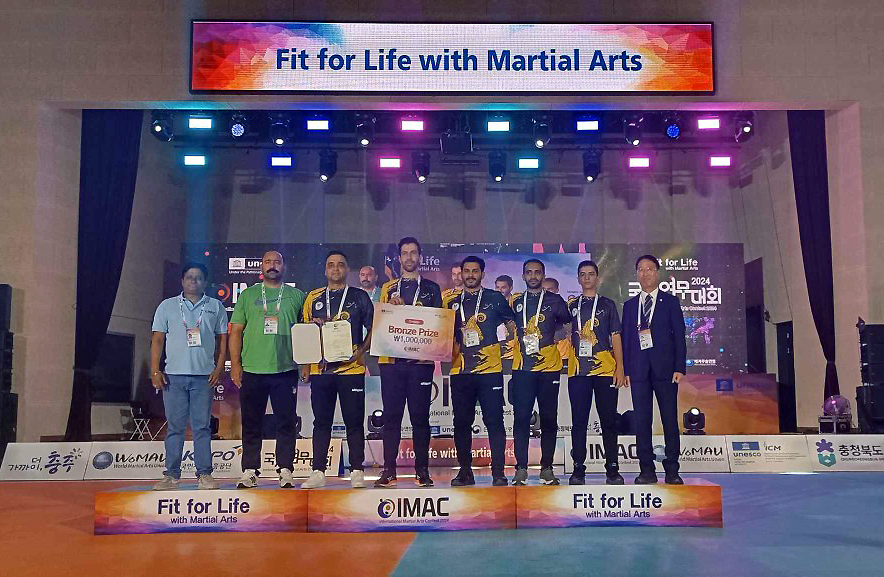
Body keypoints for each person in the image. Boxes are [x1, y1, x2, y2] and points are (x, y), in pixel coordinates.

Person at [229, 251, 305, 489]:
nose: (273, 266)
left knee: (286, 422)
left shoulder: (297, 296)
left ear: (284, 266)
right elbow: (236, 331)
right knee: (252, 422)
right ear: (261, 266)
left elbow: (305, 333)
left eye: (277, 262)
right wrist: (236, 364)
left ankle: (285, 469)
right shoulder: (248, 295)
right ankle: (250, 470)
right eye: (268, 262)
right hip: (252, 369)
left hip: (285, 368)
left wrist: (306, 363)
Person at [300, 251, 374, 489]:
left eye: (340, 265)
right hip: (321, 371)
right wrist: (306, 365)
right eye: (331, 265)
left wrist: (361, 351)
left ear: (347, 269)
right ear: (325, 270)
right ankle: (318, 471)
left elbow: (374, 328)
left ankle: (357, 470)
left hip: (352, 369)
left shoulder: (360, 296)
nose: (335, 269)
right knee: (321, 422)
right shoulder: (313, 298)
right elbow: (305, 332)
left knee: (354, 421)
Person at [151, 263, 228, 490]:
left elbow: (223, 341)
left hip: (204, 377)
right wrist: (155, 370)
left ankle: (204, 474)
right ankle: (171, 475)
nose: (194, 281)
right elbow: (157, 339)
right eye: (189, 277)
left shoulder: (215, 306)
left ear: (205, 282)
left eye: (198, 277)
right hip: (173, 377)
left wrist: (219, 368)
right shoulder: (167, 306)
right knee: (175, 427)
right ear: (182, 281)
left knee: (202, 427)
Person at [374, 237, 443, 488]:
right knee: (392, 417)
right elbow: (380, 322)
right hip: (392, 362)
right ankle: (389, 471)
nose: (409, 257)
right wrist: (390, 309)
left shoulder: (432, 289)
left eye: (414, 253)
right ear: (399, 258)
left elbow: (439, 324)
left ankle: (422, 471)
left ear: (420, 257)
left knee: (420, 418)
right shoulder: (388, 288)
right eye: (405, 253)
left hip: (421, 364)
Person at [444, 256, 516, 487]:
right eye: (467, 271)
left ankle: (498, 472)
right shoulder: (450, 301)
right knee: (461, 422)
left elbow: (512, 324)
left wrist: (507, 343)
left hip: (490, 369)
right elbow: (441, 331)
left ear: (482, 274)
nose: (470, 275)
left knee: (494, 420)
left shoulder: (494, 298)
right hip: (460, 370)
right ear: (461, 274)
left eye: (475, 271)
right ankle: (465, 471)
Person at [621, 255, 687, 485]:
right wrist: (626, 369)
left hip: (666, 370)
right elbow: (627, 339)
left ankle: (672, 470)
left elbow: (679, 336)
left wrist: (679, 367)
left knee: (669, 419)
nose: (645, 273)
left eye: (649, 269)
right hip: (638, 371)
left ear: (657, 273)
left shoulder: (670, 302)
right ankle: (646, 470)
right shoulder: (630, 306)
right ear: (636, 274)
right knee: (642, 421)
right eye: (641, 269)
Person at [509, 259, 571, 486]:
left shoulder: (555, 300)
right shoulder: (516, 301)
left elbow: (567, 325)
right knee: (521, 418)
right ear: (523, 276)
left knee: (548, 418)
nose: (533, 276)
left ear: (543, 275)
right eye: (529, 272)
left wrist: (553, 338)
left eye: (537, 272)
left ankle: (547, 468)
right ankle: (521, 468)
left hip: (549, 367)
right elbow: (509, 324)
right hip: (522, 368)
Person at [566, 260, 626, 485]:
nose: (587, 278)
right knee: (579, 421)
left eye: (591, 274)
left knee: (608, 420)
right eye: (583, 274)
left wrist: (620, 367)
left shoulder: (608, 304)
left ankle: (612, 469)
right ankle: (578, 468)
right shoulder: (571, 305)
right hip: (578, 371)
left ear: (598, 278)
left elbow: (616, 336)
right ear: (578, 279)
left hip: (605, 370)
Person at [495, 275, 516, 373]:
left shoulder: (517, 303)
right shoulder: (490, 304)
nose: (500, 290)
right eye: (497, 287)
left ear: (511, 288)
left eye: (503, 287)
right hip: (495, 354)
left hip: (513, 353)